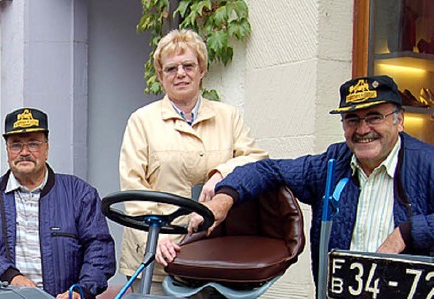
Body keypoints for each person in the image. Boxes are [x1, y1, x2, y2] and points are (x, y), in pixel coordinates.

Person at [157, 75, 434, 277]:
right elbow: (268, 169)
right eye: (352, 120)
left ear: (399, 120)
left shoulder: (426, 163)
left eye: (374, 117)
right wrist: (222, 200)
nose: (362, 129)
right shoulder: (333, 164)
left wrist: (407, 232)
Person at [119, 29, 268, 299]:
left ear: (202, 69)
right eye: (171, 69)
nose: (180, 74)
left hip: (208, 256)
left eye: (188, 65)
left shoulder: (227, 117)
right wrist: (155, 241)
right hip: (155, 259)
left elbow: (258, 160)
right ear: (160, 76)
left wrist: (221, 172)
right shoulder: (142, 122)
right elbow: (132, 187)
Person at [0, 107, 115, 299]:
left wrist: (85, 291)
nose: (24, 152)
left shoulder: (79, 193)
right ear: (7, 151)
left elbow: (99, 247)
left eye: (33, 144)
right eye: (16, 145)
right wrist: (12, 278)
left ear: (46, 148)